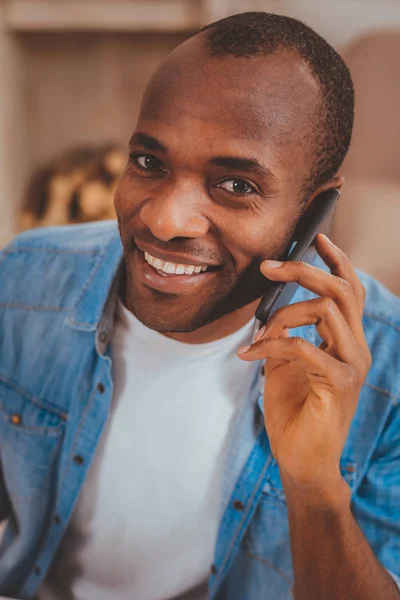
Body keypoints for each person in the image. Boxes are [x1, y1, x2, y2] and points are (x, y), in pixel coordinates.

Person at [0, 11, 399, 600]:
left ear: (315, 213)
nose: (164, 219)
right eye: (149, 163)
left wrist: (315, 489)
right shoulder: (24, 283)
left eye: (236, 185)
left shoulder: (387, 368)